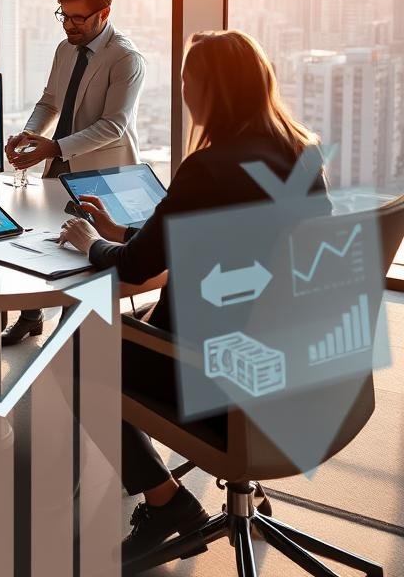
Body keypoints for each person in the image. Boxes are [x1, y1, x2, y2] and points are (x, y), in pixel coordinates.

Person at [58, 29, 330, 564]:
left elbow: (137, 267)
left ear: (209, 92)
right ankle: (235, 486)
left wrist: (91, 243)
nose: (182, 93)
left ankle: (167, 503)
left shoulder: (207, 168)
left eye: (187, 82)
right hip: (302, 374)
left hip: (218, 379)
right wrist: (121, 233)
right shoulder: (303, 154)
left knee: (78, 353)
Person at [2, 0, 145, 344]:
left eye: (78, 17)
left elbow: (113, 126)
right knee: (39, 239)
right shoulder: (66, 48)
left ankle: (71, 338)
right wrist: (32, 134)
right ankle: (31, 314)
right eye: (63, 15)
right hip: (60, 162)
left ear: (104, 13)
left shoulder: (126, 58)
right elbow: (49, 102)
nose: (68, 24)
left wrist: (54, 147)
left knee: (82, 250)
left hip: (101, 171)